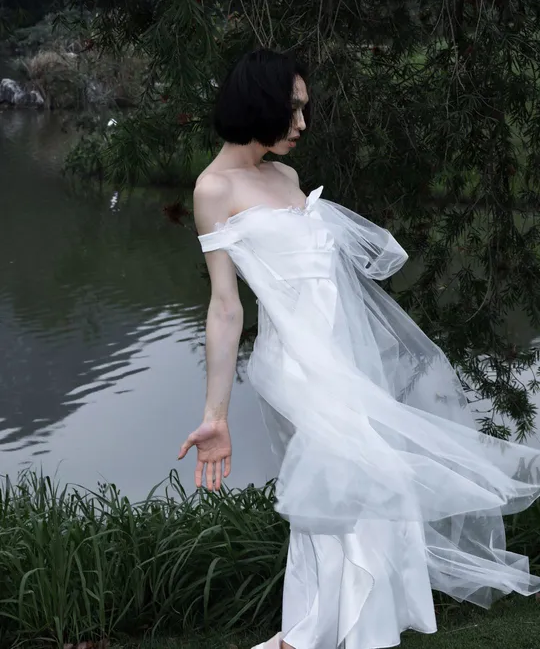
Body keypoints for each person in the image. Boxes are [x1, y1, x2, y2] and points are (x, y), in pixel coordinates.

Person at [178, 48, 540, 649]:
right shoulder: (213, 189)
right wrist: (216, 414)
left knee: (358, 484)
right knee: (351, 481)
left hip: (341, 358)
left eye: (305, 109)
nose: (302, 124)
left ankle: (324, 630)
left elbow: (330, 283)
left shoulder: (286, 178)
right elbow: (225, 306)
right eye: (292, 110)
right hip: (294, 366)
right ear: (258, 104)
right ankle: (319, 632)